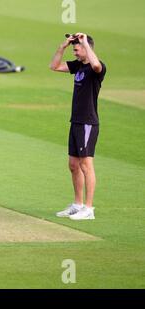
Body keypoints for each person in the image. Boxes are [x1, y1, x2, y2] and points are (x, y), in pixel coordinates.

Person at [50, 33, 107, 220]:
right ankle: (77, 204)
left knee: (86, 164)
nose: (74, 51)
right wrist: (63, 46)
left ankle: (89, 209)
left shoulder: (96, 67)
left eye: (77, 48)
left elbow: (96, 65)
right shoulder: (78, 66)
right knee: (73, 165)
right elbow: (55, 66)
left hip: (87, 122)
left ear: (86, 47)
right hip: (75, 121)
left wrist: (85, 43)